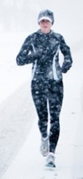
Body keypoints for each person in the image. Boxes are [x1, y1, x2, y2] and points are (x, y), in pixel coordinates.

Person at [16, 9, 73, 167]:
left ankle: (51, 154)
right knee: (43, 118)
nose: (45, 23)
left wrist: (66, 64)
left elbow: (67, 54)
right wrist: (35, 55)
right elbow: (19, 60)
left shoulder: (58, 38)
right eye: (42, 21)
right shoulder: (32, 38)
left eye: (48, 21)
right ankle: (44, 137)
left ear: (52, 23)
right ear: (38, 23)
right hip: (38, 83)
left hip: (55, 82)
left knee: (55, 118)